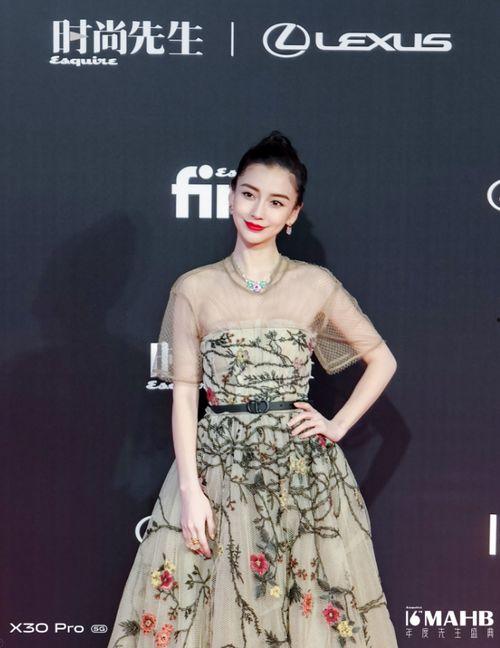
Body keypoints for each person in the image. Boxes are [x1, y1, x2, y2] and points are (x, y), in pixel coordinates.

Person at [107, 130, 399, 647]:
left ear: (293, 214)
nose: (258, 210)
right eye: (249, 194)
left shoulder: (315, 284)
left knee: (305, 613)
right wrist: (191, 491)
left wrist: (336, 424)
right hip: (219, 470)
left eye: (276, 201)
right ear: (231, 197)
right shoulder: (194, 288)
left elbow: (382, 359)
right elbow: (184, 396)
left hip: (302, 476)